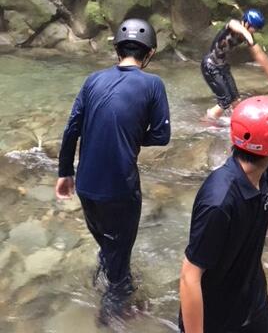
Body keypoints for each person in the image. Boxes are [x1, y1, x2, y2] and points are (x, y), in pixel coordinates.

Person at [55, 18, 171, 322]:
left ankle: (114, 274)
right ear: (150, 53)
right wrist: (132, 135)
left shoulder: (92, 80)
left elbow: (71, 129)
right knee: (120, 251)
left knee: (110, 245)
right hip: (120, 190)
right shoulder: (153, 84)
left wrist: (64, 173)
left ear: (116, 50)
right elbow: (162, 135)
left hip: (86, 186)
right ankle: (111, 315)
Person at [179, 95, 268, 333]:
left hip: (253, 304)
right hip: (214, 319)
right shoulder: (219, 202)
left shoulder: (265, 174)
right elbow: (189, 276)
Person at [201, 8, 268, 121]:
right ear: (246, 23)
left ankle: (237, 122)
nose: (254, 31)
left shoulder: (249, 36)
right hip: (210, 66)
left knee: (236, 99)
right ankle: (206, 123)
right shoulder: (234, 26)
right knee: (225, 101)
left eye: (256, 29)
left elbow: (258, 54)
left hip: (223, 67)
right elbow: (233, 24)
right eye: (253, 28)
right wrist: (246, 33)